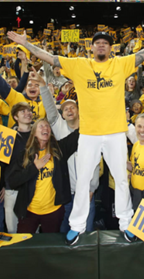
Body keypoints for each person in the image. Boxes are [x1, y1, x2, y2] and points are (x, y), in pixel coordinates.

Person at [7, 26, 144, 244]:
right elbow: (48, 57)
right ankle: (76, 226)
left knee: (122, 179)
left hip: (115, 132)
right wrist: (25, 43)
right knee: (84, 180)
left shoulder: (120, 64)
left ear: (110, 48)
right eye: (98, 42)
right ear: (92, 47)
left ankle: (126, 223)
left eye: (106, 42)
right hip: (88, 134)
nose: (102, 44)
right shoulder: (79, 65)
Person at [34, 69, 99, 233]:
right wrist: (43, 86)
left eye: (72, 107)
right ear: (61, 114)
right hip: (66, 193)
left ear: (78, 111)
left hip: (86, 193)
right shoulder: (58, 127)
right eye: (65, 109)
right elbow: (49, 107)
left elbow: (96, 161)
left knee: (86, 232)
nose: (69, 110)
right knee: (63, 231)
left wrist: (92, 188)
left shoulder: (89, 129)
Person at [8, 119, 79, 233]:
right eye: (41, 126)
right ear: (34, 132)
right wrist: (34, 168)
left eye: (47, 126)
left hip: (53, 211)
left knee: (50, 247)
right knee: (24, 246)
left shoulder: (59, 150)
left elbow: (77, 136)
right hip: (29, 212)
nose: (45, 128)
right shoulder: (25, 154)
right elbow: (12, 181)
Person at [4, 102, 34, 233]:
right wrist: (2, 185)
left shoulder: (40, 134)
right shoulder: (7, 136)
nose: (27, 113)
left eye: (29, 110)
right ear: (15, 117)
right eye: (23, 111)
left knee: (33, 230)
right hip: (13, 189)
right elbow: (1, 164)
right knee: (12, 228)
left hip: (35, 187)